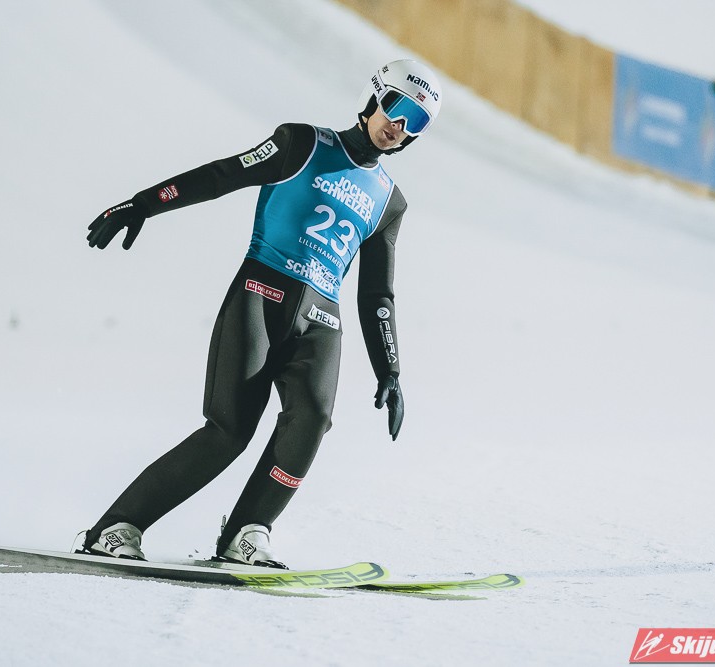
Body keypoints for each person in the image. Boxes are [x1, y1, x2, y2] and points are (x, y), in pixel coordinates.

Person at [81, 60, 443, 568]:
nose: (399, 126)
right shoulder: (302, 143)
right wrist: (144, 203)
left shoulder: (390, 202)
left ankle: (247, 534)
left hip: (322, 319)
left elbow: (377, 294)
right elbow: (222, 175)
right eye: (396, 107)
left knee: (312, 421)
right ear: (374, 97)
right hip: (260, 292)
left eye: (416, 122)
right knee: (228, 431)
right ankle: (115, 528)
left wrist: (391, 370)